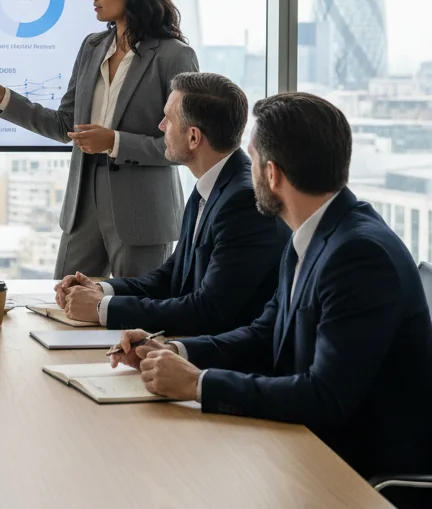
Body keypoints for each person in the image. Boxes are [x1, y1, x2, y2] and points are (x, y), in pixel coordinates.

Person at [112, 92, 432, 485]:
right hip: (304, 449)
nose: (248, 174)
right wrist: (174, 350)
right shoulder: (313, 235)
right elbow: (264, 335)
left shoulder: (359, 256)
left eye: (253, 161)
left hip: (359, 479)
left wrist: (198, 383)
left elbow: (324, 397)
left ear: (273, 174)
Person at [0, 0, 199, 278]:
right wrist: (4, 98)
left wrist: (114, 141)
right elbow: (65, 125)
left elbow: (183, 146)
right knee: (66, 306)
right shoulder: (92, 47)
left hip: (142, 215)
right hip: (82, 209)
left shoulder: (174, 55)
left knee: (133, 317)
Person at [54, 72, 286, 335]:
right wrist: (101, 290)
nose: (161, 126)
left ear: (194, 137)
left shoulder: (243, 202)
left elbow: (208, 310)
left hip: (224, 360)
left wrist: (102, 309)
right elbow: (171, 277)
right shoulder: (211, 185)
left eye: (170, 119)